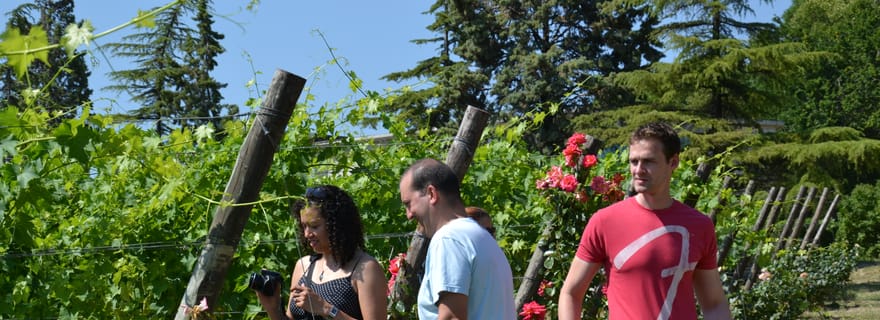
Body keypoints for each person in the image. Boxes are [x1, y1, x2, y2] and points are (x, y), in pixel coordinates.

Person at [558, 123, 732, 320]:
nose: (638, 170)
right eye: (634, 161)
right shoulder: (605, 222)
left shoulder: (699, 226)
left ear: (673, 162)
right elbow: (570, 293)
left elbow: (714, 303)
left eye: (648, 161)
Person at [399, 158, 516, 319]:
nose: (409, 215)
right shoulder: (481, 237)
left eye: (408, 204)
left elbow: (452, 317)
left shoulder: (449, 239)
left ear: (431, 193)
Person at [255, 185, 388, 320]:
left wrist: (326, 308)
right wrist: (273, 309)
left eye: (314, 226)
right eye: (304, 226)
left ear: (337, 224)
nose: (307, 234)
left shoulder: (365, 268)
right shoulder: (303, 265)